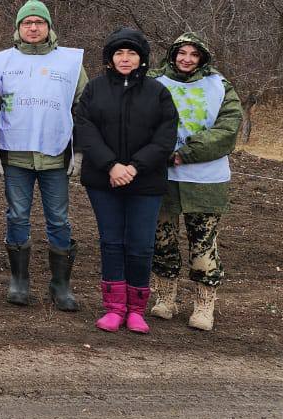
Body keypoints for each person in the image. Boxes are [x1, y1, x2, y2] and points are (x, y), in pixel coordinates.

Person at [74, 27, 178, 334]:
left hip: (145, 182)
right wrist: (111, 166)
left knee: (141, 245)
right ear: (109, 58)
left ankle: (136, 309)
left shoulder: (157, 92)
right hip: (103, 180)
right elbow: (85, 128)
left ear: (142, 59)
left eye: (131, 53)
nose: (125, 58)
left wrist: (134, 167)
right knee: (112, 242)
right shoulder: (94, 89)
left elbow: (165, 136)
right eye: (119, 53)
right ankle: (115, 307)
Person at [0, 0, 86, 311]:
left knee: (58, 219)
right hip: (16, 157)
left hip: (55, 157)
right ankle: (19, 279)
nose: (33, 27)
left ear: (48, 26)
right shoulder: (0, 62)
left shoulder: (69, 62)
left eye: (39, 22)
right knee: (17, 215)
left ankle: (60, 283)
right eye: (27, 22)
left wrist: (79, 153)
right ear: (18, 27)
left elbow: (83, 107)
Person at [148, 32, 242, 331]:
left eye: (194, 54)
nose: (186, 59)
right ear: (173, 53)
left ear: (202, 58)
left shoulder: (220, 85)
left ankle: (204, 305)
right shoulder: (154, 80)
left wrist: (184, 154)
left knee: (203, 245)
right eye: (182, 53)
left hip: (205, 179)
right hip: (161, 177)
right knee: (162, 240)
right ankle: (166, 298)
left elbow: (227, 129)